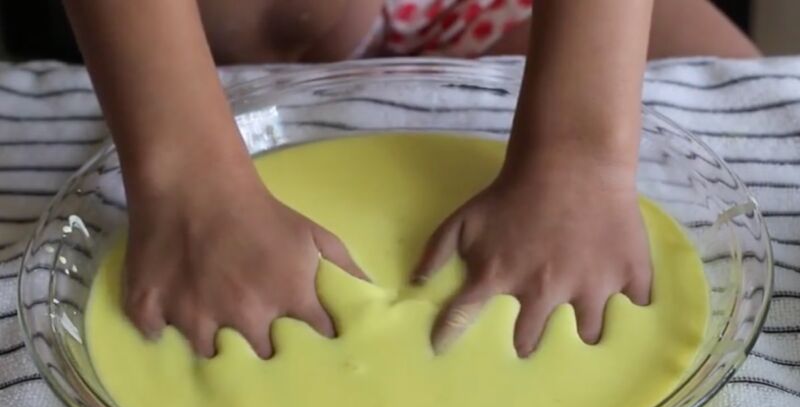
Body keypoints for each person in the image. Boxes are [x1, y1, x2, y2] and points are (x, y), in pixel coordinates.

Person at [63, 0, 759, 359]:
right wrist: (189, 184)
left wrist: (582, 155)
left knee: (753, 105)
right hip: (193, 46)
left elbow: (592, 144)